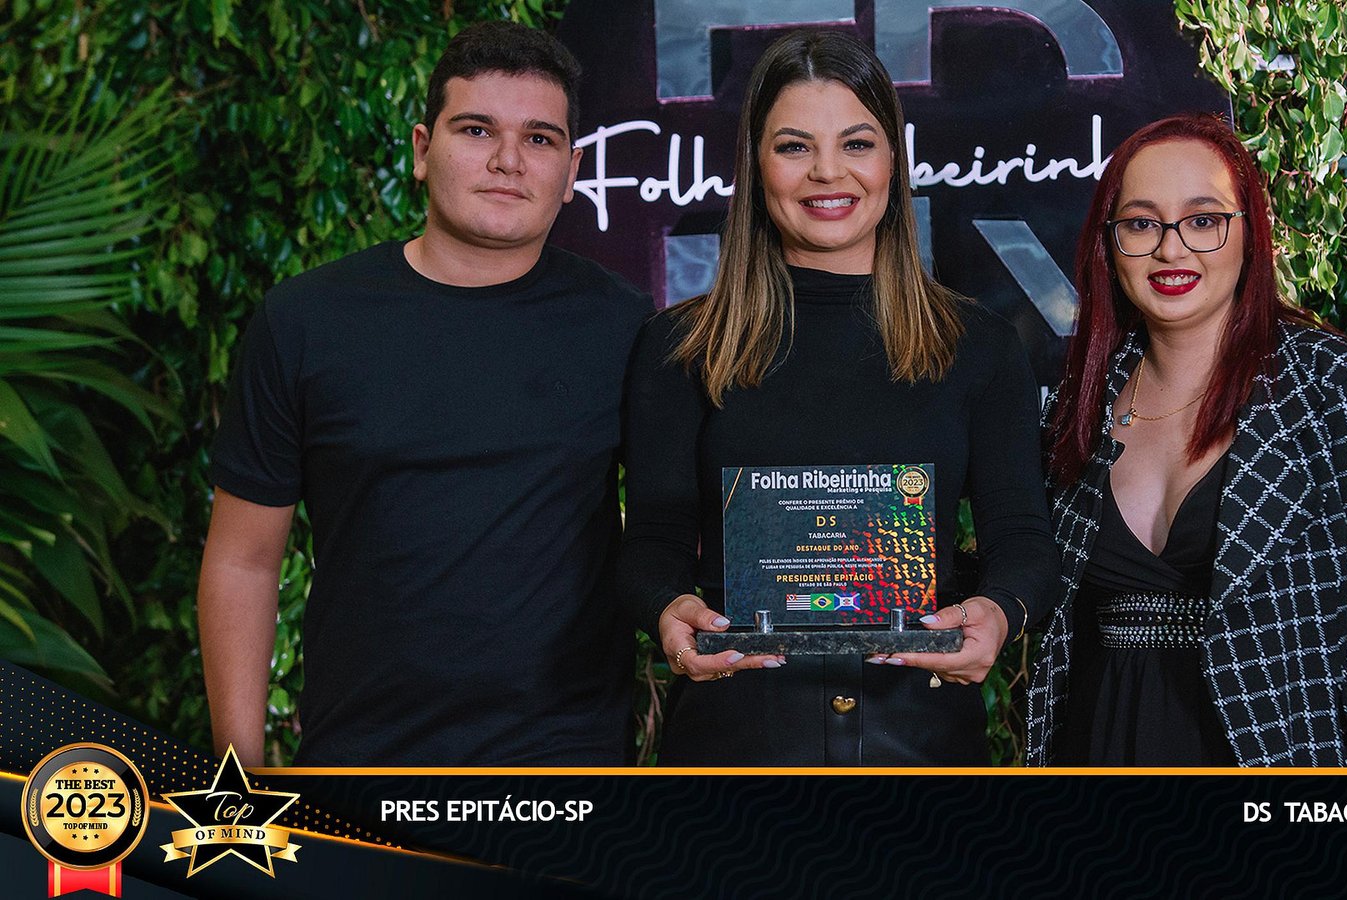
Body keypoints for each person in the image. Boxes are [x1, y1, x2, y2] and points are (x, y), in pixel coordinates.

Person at [198, 22, 652, 765]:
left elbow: (680, 522)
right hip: (362, 764)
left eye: (539, 139)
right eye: (477, 130)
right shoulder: (306, 320)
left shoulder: (624, 325)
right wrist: (240, 777)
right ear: (421, 148)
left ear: (572, 170)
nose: (508, 161)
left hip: (568, 770)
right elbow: (243, 561)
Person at [617, 30, 1056, 765]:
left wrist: (999, 611)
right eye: (794, 147)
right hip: (735, 756)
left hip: (923, 754)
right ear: (756, 165)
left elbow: (1022, 539)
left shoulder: (977, 346)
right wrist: (668, 608)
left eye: (857, 143)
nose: (828, 171)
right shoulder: (682, 348)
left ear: (892, 162)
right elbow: (652, 542)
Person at [1024, 113, 1347, 767]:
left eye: (1203, 220)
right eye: (1142, 224)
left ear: (1249, 234)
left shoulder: (1335, 385)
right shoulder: (1083, 400)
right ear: (1108, 244)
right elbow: (1035, 582)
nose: (1171, 250)